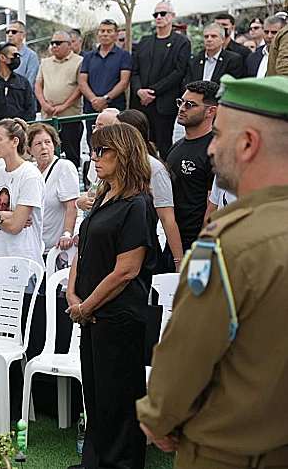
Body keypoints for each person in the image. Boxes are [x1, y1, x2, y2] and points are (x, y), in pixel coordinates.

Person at [137, 75, 288, 469]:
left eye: (219, 136)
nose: (212, 148)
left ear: (249, 143)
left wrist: (159, 415)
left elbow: (190, 348)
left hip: (233, 449)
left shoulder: (228, 244)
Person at [66, 123, 158, 469]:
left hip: (119, 316)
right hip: (91, 315)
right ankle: (97, 460)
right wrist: (73, 294)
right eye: (93, 150)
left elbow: (127, 270)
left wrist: (85, 306)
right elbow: (83, 248)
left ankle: (119, 463)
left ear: (124, 154)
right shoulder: (103, 196)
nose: (95, 157)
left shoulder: (138, 204)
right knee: (97, 395)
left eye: (103, 151)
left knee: (118, 397)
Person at [116, 109, 183, 272]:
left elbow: (167, 218)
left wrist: (178, 261)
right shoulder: (112, 163)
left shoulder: (154, 169)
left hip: (141, 251)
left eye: (117, 129)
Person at [131, 1, 191, 158]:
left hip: (164, 103)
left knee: (164, 148)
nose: (158, 17)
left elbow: (178, 72)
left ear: (172, 16)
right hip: (141, 103)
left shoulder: (181, 42)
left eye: (162, 13)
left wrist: (152, 92)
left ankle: (166, 179)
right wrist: (139, 91)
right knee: (139, 146)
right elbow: (135, 70)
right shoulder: (144, 42)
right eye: (155, 14)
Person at [166, 80, 218, 252]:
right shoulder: (176, 147)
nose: (182, 108)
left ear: (211, 111)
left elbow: (213, 209)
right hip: (172, 241)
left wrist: (201, 252)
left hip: (196, 245)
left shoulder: (214, 151)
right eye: (181, 102)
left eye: (190, 105)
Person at [0, 118, 45, 266]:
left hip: (22, 259)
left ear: (14, 142)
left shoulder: (30, 175)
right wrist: (4, 215)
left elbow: (15, 226)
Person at [26, 123, 78, 252]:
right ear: (29, 149)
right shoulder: (29, 170)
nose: (44, 147)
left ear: (54, 145)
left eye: (47, 142)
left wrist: (67, 234)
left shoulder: (64, 167)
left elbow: (71, 206)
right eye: (38, 144)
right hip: (31, 246)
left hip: (54, 247)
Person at [79, 19, 132, 145]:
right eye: (102, 31)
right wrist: (94, 100)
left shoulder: (124, 55)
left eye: (109, 31)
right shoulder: (88, 56)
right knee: (92, 142)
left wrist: (105, 99)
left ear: (116, 34)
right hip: (91, 109)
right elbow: (82, 82)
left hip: (114, 106)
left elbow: (124, 82)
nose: (105, 34)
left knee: (115, 142)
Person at [36, 30, 84, 167]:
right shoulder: (45, 63)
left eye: (58, 43)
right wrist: (44, 104)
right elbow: (38, 85)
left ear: (69, 44)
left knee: (72, 153)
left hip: (70, 117)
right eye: (52, 43)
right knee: (48, 153)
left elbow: (80, 86)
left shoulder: (79, 61)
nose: (54, 46)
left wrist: (63, 106)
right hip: (48, 117)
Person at [0, 42, 36, 125]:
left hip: (20, 131)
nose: (17, 58)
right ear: (2, 57)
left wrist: (21, 126)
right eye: (14, 55)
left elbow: (30, 108)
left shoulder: (23, 82)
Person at [6, 20, 40, 88]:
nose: (10, 34)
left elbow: (30, 83)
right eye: (8, 32)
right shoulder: (2, 55)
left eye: (14, 32)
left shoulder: (31, 56)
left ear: (23, 36)